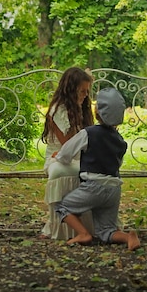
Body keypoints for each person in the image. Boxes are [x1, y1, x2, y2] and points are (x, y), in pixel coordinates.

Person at [54, 87, 141, 251]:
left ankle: (83, 233)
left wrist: (58, 156)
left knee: (62, 207)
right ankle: (128, 237)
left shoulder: (88, 133)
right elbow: (117, 163)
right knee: (106, 231)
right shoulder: (121, 141)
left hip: (93, 187)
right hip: (114, 189)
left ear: (97, 112)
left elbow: (66, 153)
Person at [40, 67, 94, 239]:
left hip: (79, 158)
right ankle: (59, 227)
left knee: (93, 169)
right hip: (60, 159)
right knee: (60, 170)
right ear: (70, 90)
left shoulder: (82, 109)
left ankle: (89, 227)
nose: (85, 95)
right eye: (81, 91)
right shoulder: (58, 111)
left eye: (87, 91)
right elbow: (69, 145)